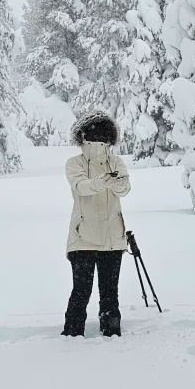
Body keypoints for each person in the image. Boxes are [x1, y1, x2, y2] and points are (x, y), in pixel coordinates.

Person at [62, 112, 132, 337]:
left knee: (110, 292)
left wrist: (116, 181)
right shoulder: (74, 163)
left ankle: (111, 333)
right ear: (83, 136)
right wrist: (104, 181)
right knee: (81, 291)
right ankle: (72, 334)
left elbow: (125, 190)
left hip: (113, 238)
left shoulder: (116, 161)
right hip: (83, 239)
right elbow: (81, 187)